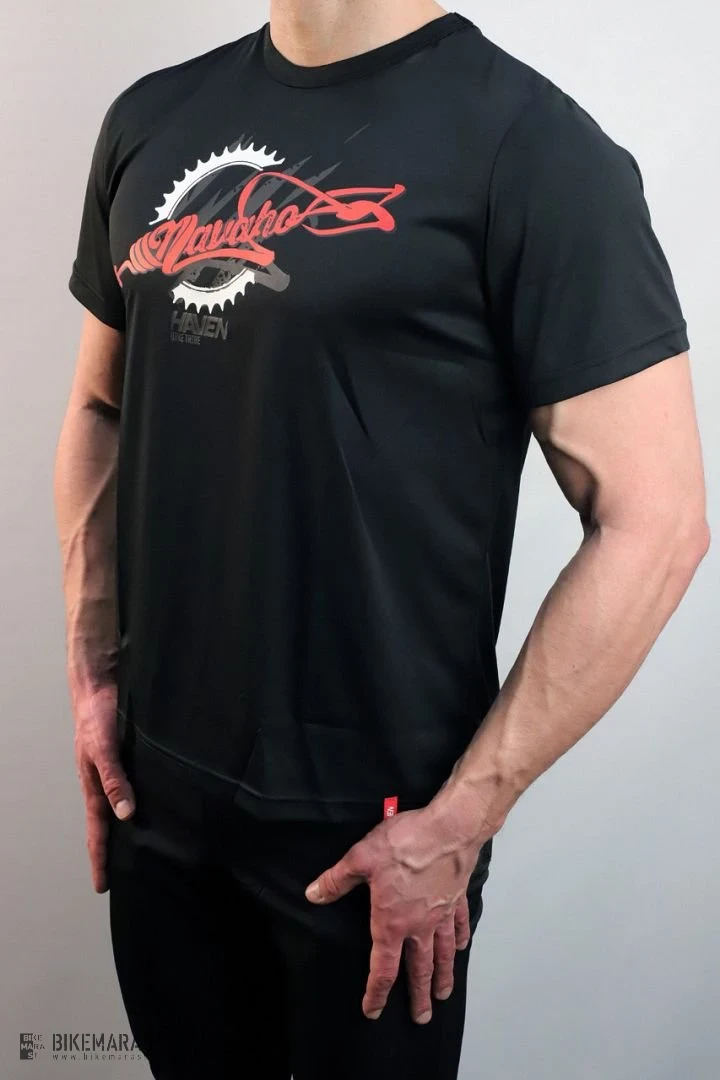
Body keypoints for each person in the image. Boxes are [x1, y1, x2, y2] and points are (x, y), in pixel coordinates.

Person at [53, 2, 709, 1078]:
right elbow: (99, 407)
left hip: (374, 839)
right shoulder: (151, 120)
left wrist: (462, 819)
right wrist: (91, 671)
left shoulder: (532, 150)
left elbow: (659, 521)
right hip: (159, 797)